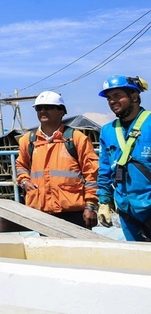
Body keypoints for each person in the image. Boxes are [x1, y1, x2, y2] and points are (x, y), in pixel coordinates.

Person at [14, 91, 98, 228]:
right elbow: (21, 165)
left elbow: (92, 174)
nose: (43, 111)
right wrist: (24, 181)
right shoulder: (28, 141)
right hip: (41, 210)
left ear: (61, 111)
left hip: (74, 212)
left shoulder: (76, 139)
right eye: (39, 108)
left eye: (48, 107)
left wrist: (91, 206)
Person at [97, 75, 151, 241]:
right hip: (127, 212)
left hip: (148, 204)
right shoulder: (108, 131)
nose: (112, 101)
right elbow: (105, 169)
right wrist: (104, 201)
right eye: (109, 98)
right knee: (136, 255)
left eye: (117, 96)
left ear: (134, 96)